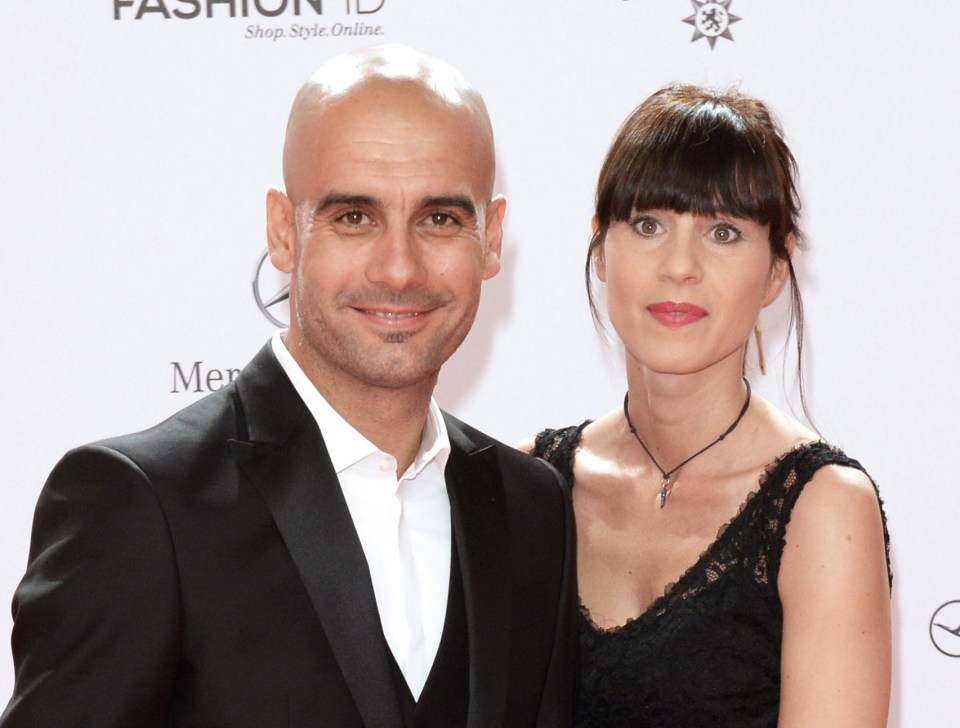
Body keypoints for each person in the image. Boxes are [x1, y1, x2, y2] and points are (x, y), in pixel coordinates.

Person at [1, 45, 576, 728]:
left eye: (440, 218)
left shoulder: (532, 508)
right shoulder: (140, 506)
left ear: (491, 239)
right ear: (283, 230)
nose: (399, 268)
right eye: (354, 216)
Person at [528, 85, 891, 726]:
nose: (679, 266)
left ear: (777, 268)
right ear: (600, 249)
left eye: (723, 232)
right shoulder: (528, 484)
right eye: (648, 225)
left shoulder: (821, 507)